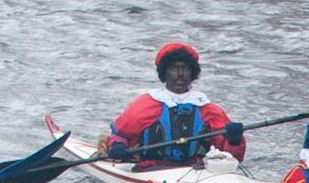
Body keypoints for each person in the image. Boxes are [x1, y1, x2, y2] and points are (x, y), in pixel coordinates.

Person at [103, 43, 244, 166]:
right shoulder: (144, 105)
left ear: (192, 73)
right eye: (174, 68)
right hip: (150, 169)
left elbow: (232, 157)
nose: (180, 74)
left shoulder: (209, 110)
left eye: (185, 68)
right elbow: (120, 135)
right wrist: (117, 145)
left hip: (197, 170)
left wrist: (235, 140)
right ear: (164, 73)